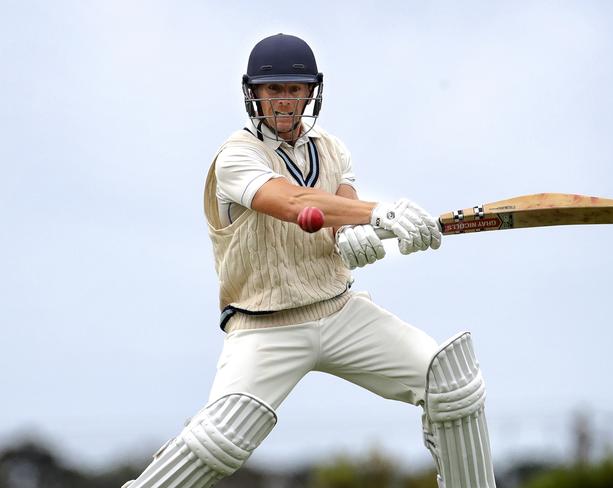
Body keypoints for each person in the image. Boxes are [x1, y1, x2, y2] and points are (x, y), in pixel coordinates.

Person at [123, 33, 496, 488]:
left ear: (310, 92)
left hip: (339, 312)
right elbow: (293, 201)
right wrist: (381, 213)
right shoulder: (236, 156)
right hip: (264, 326)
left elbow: (340, 212)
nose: (283, 101)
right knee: (218, 441)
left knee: (453, 383)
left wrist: (367, 234)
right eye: (273, 89)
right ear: (254, 94)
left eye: (294, 89)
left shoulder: (332, 150)